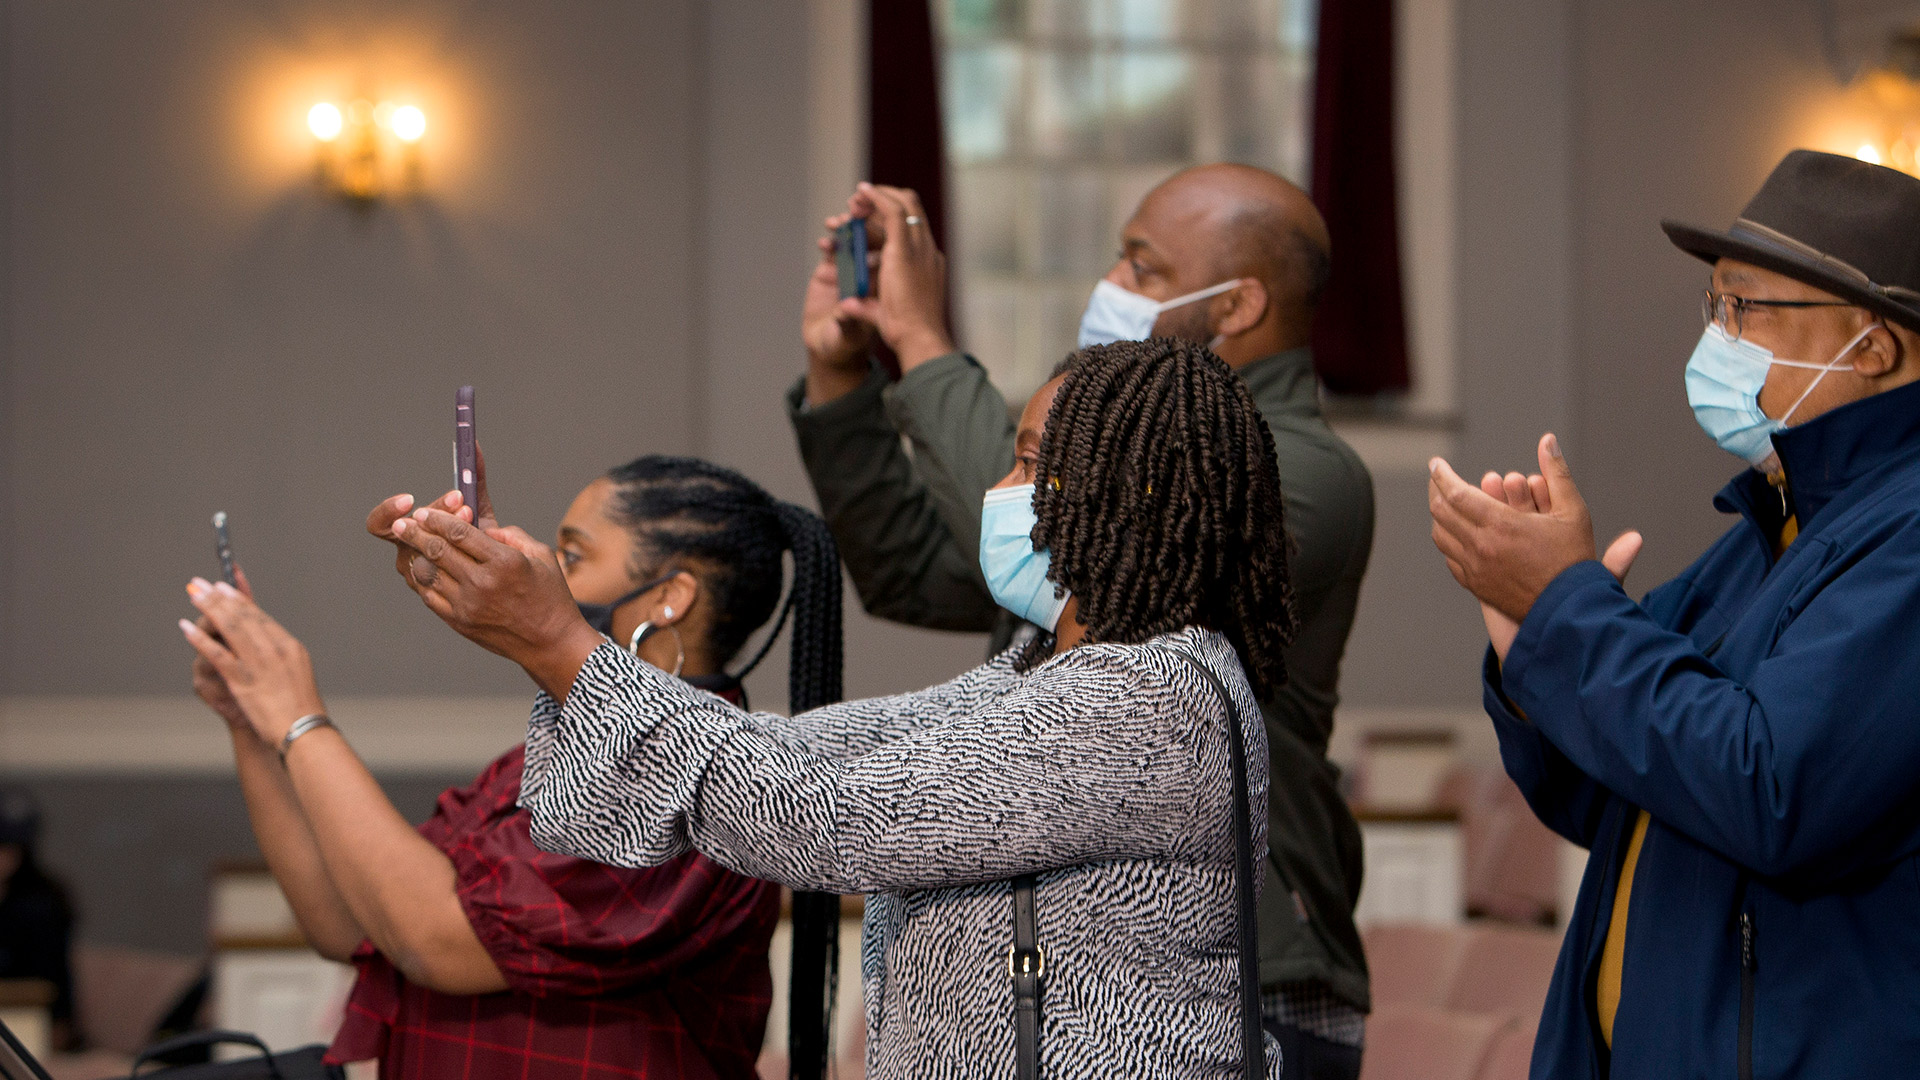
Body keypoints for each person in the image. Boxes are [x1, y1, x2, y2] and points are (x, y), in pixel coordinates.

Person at [367, 339, 1292, 1079]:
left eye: (1026, 465)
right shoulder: (1026, 677)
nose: (998, 494)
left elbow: (817, 821)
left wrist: (558, 639)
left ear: (1128, 495)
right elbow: (793, 759)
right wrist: (541, 635)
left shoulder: (1153, 698)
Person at [789, 167, 1374, 1075]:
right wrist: (844, 377)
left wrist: (920, 335)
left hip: (1247, 970)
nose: (1111, 284)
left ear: (1239, 304)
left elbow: (1089, 531)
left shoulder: (1296, 471)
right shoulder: (1102, 471)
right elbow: (913, 570)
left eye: (1141, 267)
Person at [1427, 149, 1920, 1078]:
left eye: (1749, 308)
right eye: (1716, 307)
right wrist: (1530, 649)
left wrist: (1569, 612)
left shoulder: (1906, 535)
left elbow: (1773, 792)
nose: (1719, 339)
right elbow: (1612, 795)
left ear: (1875, 346)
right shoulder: (1768, 528)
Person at [180, 455, 843, 1080]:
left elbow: (432, 940)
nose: (545, 570)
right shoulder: (536, 762)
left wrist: (300, 715)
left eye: (573, 556)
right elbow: (351, 923)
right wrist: (253, 719)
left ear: (670, 597)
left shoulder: (693, 782)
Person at [0, 788, 77, 1052]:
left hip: (31, 1023)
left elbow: (54, 977)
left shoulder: (43, 902)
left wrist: (59, 1027)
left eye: (11, 848)